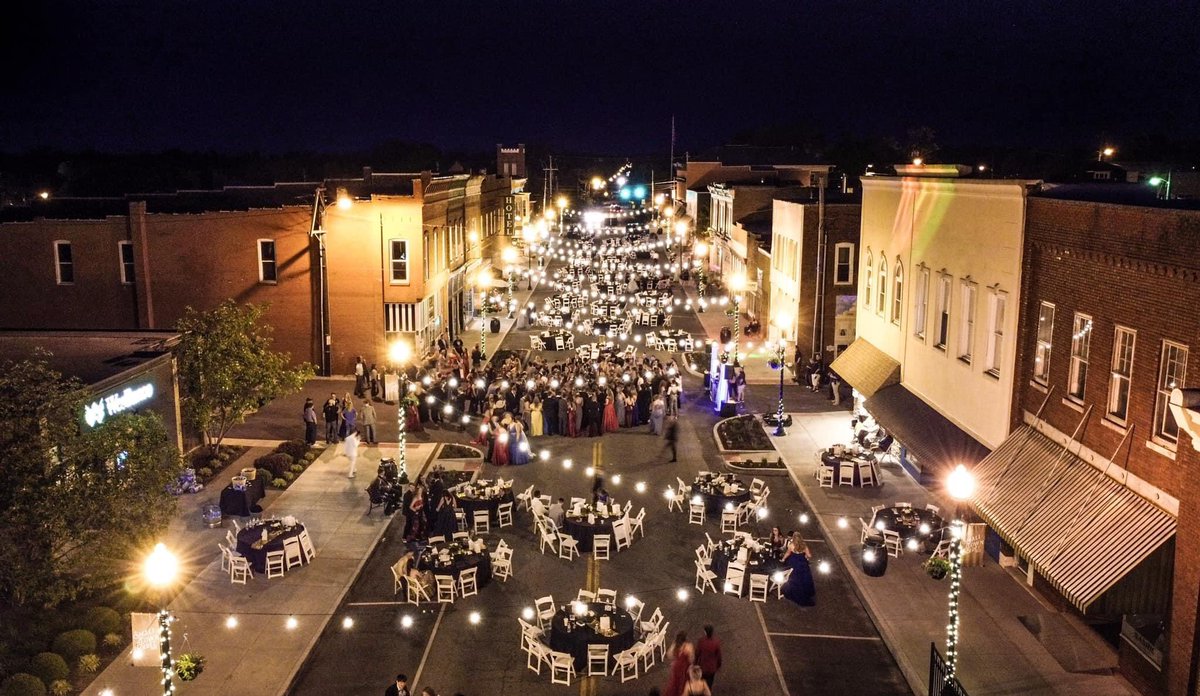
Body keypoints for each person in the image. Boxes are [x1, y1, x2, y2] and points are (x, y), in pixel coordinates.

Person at [781, 533, 816, 606]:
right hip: (803, 564)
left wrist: (783, 559)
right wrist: (806, 556)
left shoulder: (791, 545)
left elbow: (787, 553)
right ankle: (806, 592)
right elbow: (809, 555)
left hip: (794, 563)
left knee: (794, 578)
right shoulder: (804, 546)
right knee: (804, 578)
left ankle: (793, 592)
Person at [662, 631, 694, 696]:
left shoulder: (675, 645)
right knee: (683, 682)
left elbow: (669, 655)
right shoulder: (689, 646)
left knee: (675, 682)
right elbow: (691, 659)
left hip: (676, 666)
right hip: (684, 667)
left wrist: (676, 659)